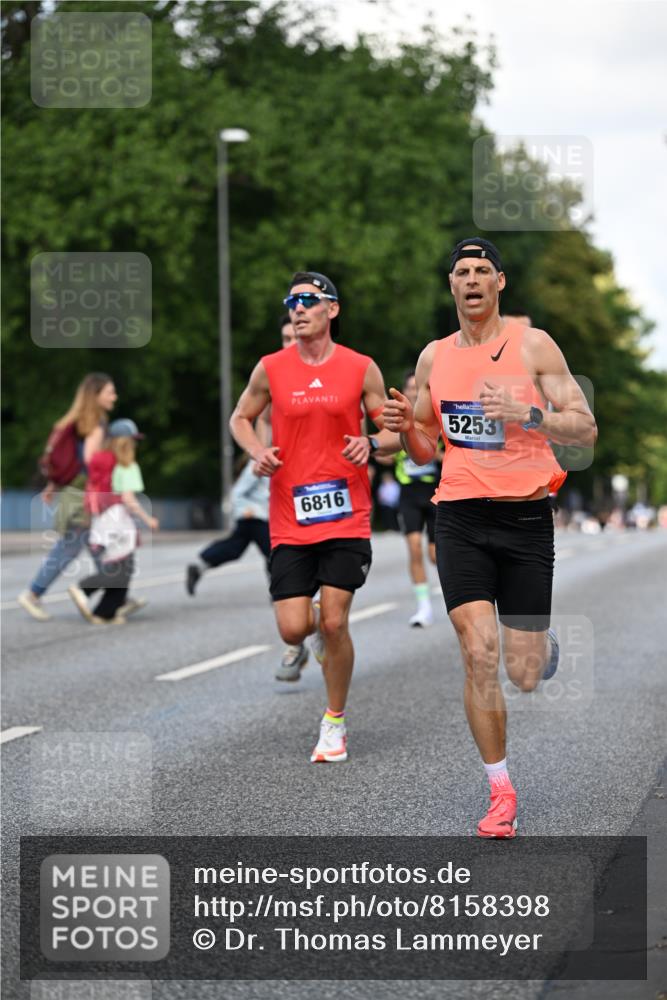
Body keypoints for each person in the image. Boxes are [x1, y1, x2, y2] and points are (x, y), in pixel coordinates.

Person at [384, 237, 597, 837]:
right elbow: (424, 446)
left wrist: (527, 414)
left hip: (524, 520)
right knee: (479, 652)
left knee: (523, 672)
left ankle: (540, 645)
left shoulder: (533, 345)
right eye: (462, 271)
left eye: (482, 270)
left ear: (499, 282)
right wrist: (404, 429)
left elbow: (585, 429)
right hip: (459, 517)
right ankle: (500, 791)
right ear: (451, 284)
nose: (472, 279)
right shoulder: (433, 358)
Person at [230, 271, 387, 762]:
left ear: (332, 310)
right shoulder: (271, 368)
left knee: (335, 622)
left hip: (346, 513)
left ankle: (334, 723)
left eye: (308, 300)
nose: (297, 309)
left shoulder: (361, 368)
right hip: (290, 517)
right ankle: (315, 634)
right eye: (292, 301)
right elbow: (240, 418)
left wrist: (373, 442)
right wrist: (257, 451)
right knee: (293, 629)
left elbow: (395, 432)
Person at [18, 373, 117, 621]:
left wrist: (53, 485)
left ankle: (117, 595)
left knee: (97, 547)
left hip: (74, 493)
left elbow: (68, 461)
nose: (114, 397)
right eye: (110, 392)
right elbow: (90, 462)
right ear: (95, 395)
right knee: (70, 548)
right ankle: (33, 594)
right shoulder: (96, 424)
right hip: (85, 496)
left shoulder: (76, 423)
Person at [68, 419, 159, 623]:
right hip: (118, 522)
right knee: (121, 569)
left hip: (103, 520)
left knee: (121, 568)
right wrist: (148, 519)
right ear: (126, 443)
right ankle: (84, 588)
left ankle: (105, 612)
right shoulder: (126, 465)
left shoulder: (104, 463)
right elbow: (128, 499)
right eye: (133, 441)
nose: (135, 445)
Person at [377, 370, 441, 627]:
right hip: (408, 493)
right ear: (404, 392)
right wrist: (376, 449)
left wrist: (432, 453)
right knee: (414, 549)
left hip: (435, 492)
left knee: (435, 555)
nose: (414, 392)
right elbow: (385, 455)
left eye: (418, 387)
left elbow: (450, 453)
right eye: (410, 388)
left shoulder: (435, 417)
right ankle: (424, 607)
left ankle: (459, 593)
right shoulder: (398, 420)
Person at [186, 455, 270, 593]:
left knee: (235, 547)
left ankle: (199, 567)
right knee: (275, 553)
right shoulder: (258, 463)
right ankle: (281, 594)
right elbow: (237, 492)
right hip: (255, 517)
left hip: (259, 517)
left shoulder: (268, 461)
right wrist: (245, 509)